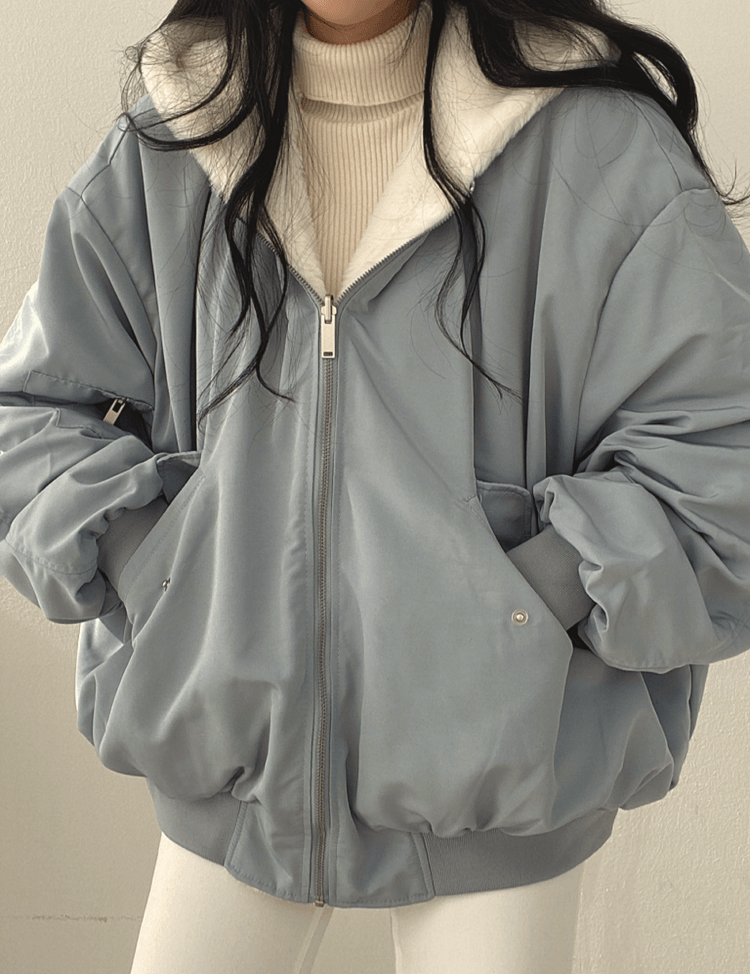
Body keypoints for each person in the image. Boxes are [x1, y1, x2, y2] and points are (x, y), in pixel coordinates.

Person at [2, 0, 750, 971]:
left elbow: (721, 457)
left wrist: (529, 603)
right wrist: (164, 570)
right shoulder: (180, 129)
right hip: (231, 762)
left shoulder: (594, 141)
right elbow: (30, 412)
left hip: (503, 775)